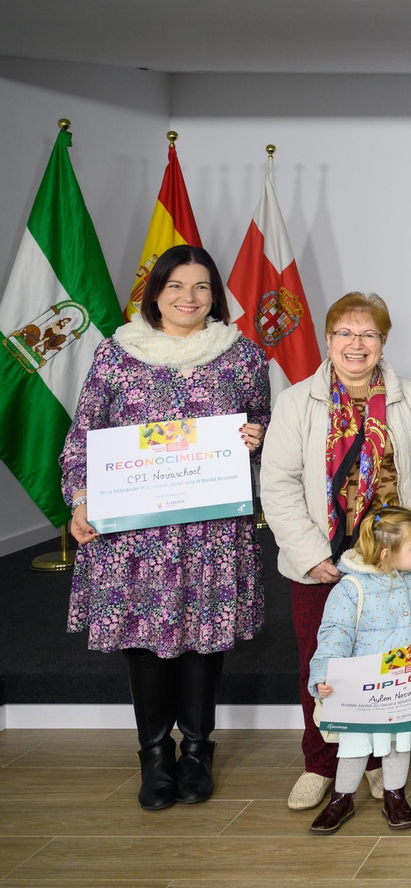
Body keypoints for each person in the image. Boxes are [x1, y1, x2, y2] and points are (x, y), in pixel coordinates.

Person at [62, 245, 269, 810]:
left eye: (202, 287)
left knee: (206, 636)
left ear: (215, 296)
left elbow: (266, 422)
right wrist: (80, 498)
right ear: (154, 292)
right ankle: (154, 754)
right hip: (136, 536)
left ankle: (198, 750)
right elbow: (82, 437)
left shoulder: (241, 355)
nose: (189, 297)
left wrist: (258, 437)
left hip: (210, 533)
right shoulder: (116, 355)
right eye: (176, 285)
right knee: (146, 637)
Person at [260, 291, 411, 811]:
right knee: (321, 665)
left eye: (368, 334)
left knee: (387, 664)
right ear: (328, 339)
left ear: (383, 341)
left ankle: (373, 761)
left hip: (393, 563)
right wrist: (306, 554)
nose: (356, 344)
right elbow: (277, 483)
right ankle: (321, 763)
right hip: (323, 562)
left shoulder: (408, 397)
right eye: (345, 333)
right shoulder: (297, 402)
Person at [306, 506, 411, 834]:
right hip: (366, 692)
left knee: (400, 743)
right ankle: (341, 798)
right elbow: (333, 635)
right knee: (354, 748)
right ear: (387, 553)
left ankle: (395, 794)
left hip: (407, 687)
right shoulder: (351, 589)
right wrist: (324, 676)